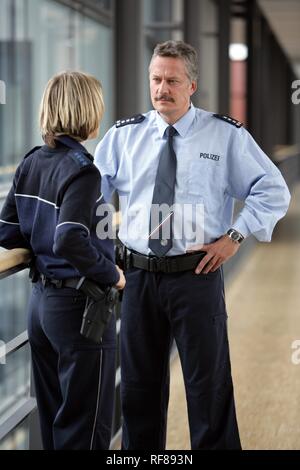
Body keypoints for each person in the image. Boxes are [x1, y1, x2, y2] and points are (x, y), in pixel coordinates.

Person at [95, 40, 291, 450]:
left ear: (192, 85)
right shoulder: (122, 137)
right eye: (156, 79)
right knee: (137, 390)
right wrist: (101, 252)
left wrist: (235, 236)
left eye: (172, 80)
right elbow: (90, 198)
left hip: (196, 276)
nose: (161, 88)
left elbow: (273, 190)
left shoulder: (225, 135)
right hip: (137, 279)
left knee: (209, 388)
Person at [0, 71, 125, 450]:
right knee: (85, 430)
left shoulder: (33, 161)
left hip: (41, 307)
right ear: (88, 109)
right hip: (80, 310)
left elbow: (7, 232)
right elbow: (70, 237)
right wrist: (113, 274)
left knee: (56, 423)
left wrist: (42, 235)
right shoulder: (82, 170)